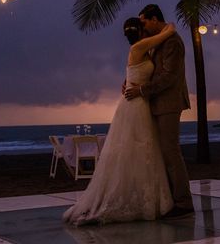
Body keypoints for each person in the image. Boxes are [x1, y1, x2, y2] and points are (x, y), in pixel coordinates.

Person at [63, 17, 175, 225]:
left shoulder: (138, 49)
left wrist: (127, 82)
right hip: (136, 104)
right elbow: (166, 34)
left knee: (141, 149)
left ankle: (145, 195)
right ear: (141, 30)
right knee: (138, 147)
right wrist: (168, 26)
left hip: (138, 101)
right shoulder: (140, 46)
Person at [124, 4, 194, 218]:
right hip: (154, 102)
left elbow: (169, 76)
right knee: (162, 152)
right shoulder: (159, 40)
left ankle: (183, 202)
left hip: (168, 103)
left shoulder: (172, 41)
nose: (142, 27)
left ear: (155, 19)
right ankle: (171, 198)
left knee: (171, 152)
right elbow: (147, 68)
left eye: (144, 22)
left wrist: (141, 90)